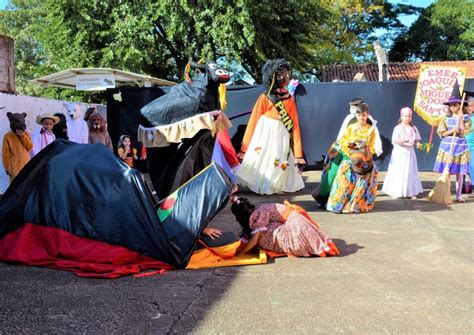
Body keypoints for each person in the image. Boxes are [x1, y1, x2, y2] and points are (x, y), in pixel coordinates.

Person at [235, 59, 305, 195]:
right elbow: (253, 121)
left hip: (281, 133)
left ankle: (274, 184)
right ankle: (264, 184)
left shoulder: (289, 98)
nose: (285, 78)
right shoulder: (265, 97)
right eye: (281, 76)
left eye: (286, 75)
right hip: (265, 133)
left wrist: (298, 153)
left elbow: (294, 124)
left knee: (278, 158)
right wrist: (244, 148)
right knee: (265, 157)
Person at [230, 196, 339, 257]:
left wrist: (242, 253)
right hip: (294, 221)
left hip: (296, 226)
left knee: (263, 236)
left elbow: (254, 239)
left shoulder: (257, 215)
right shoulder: (258, 210)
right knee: (264, 230)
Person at [313, 102, 376, 207]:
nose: (361, 118)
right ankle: (323, 196)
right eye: (359, 115)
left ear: (367, 115)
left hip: (360, 158)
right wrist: (353, 147)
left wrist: (365, 150)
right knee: (332, 172)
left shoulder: (371, 130)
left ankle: (351, 203)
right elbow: (344, 141)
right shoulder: (351, 127)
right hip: (346, 153)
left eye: (364, 115)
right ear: (356, 115)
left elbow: (372, 146)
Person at [433, 92, 472, 202]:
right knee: (447, 172)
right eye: (451, 105)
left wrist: (460, 119)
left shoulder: (466, 118)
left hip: (460, 148)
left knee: (459, 173)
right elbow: (441, 133)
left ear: (460, 105)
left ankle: (459, 195)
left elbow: (465, 131)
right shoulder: (445, 119)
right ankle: (446, 194)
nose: (453, 107)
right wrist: (452, 130)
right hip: (447, 148)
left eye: (455, 104)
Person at [382, 107, 423, 199]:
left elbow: (416, 139)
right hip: (400, 152)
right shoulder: (398, 128)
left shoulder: (413, 128)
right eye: (406, 116)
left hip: (410, 152)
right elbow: (395, 140)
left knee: (410, 171)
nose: (408, 118)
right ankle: (396, 191)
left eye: (409, 116)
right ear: (401, 116)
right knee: (399, 171)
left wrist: (418, 144)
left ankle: (410, 192)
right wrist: (404, 139)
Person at [2, 112, 33, 182]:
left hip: (26, 166)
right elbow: (5, 154)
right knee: (15, 187)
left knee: (25, 186)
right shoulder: (8, 136)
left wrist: (23, 137)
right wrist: (7, 168)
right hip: (14, 168)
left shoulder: (26, 134)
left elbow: (30, 147)